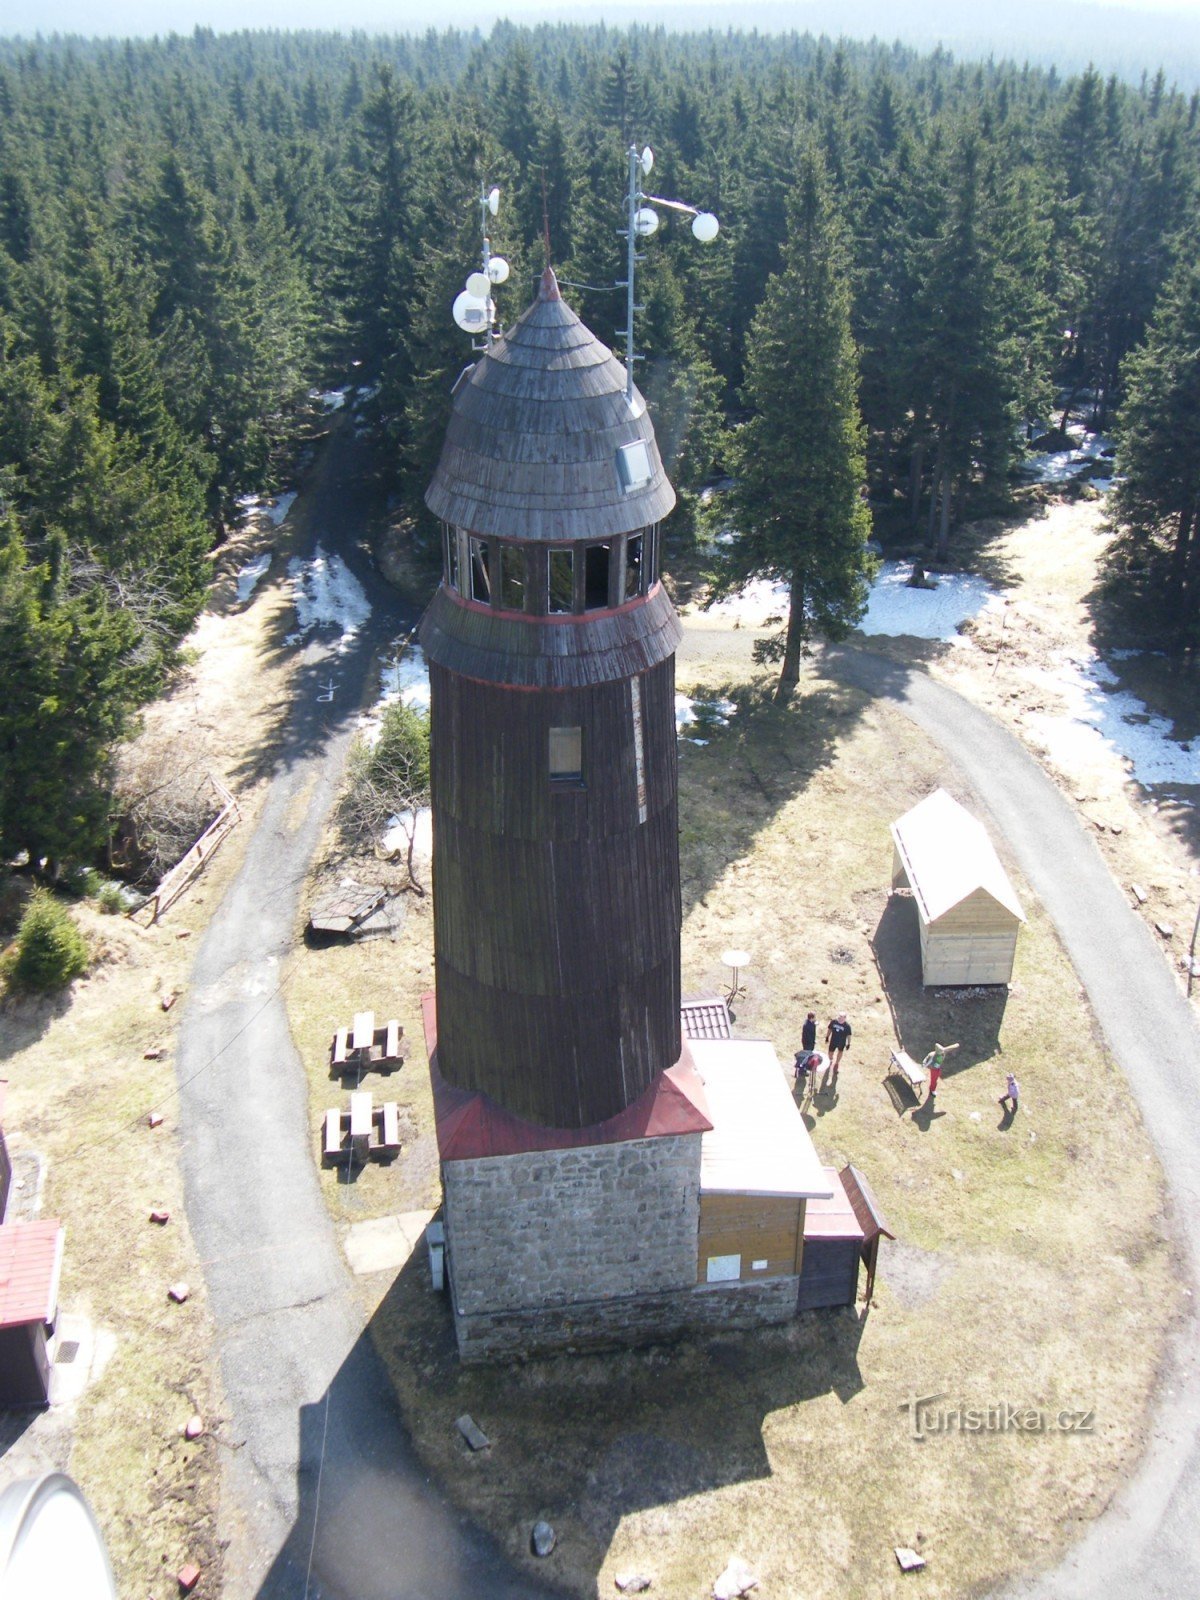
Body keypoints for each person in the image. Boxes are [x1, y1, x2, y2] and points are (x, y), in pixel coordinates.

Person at [825, 1013, 851, 1081]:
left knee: (840, 1052)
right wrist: (827, 1036)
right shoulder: (834, 1022)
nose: (840, 1018)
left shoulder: (847, 1026)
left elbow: (849, 1035)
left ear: (845, 1018)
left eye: (842, 1017)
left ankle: (836, 1064)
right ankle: (830, 1060)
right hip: (833, 1041)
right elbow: (829, 1029)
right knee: (830, 1052)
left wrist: (848, 1043)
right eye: (839, 1016)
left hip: (841, 1043)